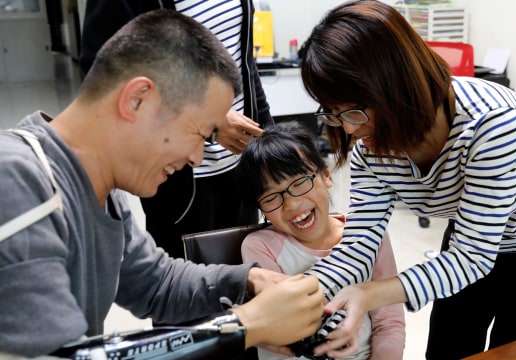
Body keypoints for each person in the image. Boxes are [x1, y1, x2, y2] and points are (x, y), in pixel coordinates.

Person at [0, 10, 323, 357]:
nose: (198, 158)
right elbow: (64, 355)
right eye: (202, 134)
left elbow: (156, 284)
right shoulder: (17, 180)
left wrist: (247, 280)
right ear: (138, 99)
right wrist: (242, 326)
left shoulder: (104, 192)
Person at [296, 1, 516, 359]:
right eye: (333, 113)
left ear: (398, 86)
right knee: (447, 347)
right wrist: (305, 292)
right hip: (475, 233)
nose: (348, 128)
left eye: (355, 110)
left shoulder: (493, 126)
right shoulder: (370, 149)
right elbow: (358, 244)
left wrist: (369, 294)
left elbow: (471, 259)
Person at [79, 0, 274, 258]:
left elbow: (245, 65)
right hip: (178, 174)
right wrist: (211, 120)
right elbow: (105, 76)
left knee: (245, 276)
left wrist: (270, 139)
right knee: (184, 283)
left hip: (240, 164)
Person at [235, 122, 405, 360]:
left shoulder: (368, 233)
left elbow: (389, 323)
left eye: (300, 182)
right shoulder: (260, 246)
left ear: (325, 175)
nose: (291, 204)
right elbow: (279, 340)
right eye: (271, 197)